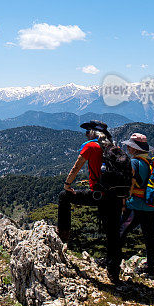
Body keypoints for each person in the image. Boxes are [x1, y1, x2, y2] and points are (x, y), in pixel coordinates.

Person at [57, 120, 124, 284]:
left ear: (93, 133)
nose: (86, 134)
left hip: (98, 195)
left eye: (87, 132)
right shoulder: (115, 149)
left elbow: (76, 167)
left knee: (63, 196)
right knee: (113, 234)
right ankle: (114, 273)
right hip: (115, 197)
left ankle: (63, 234)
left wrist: (67, 185)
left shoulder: (90, 147)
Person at [119, 133, 154, 278]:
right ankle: (150, 269)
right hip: (151, 206)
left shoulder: (134, 162)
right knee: (149, 237)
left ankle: (113, 262)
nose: (128, 147)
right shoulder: (150, 163)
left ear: (135, 149)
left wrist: (124, 201)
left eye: (130, 145)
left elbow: (129, 182)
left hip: (135, 205)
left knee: (121, 231)